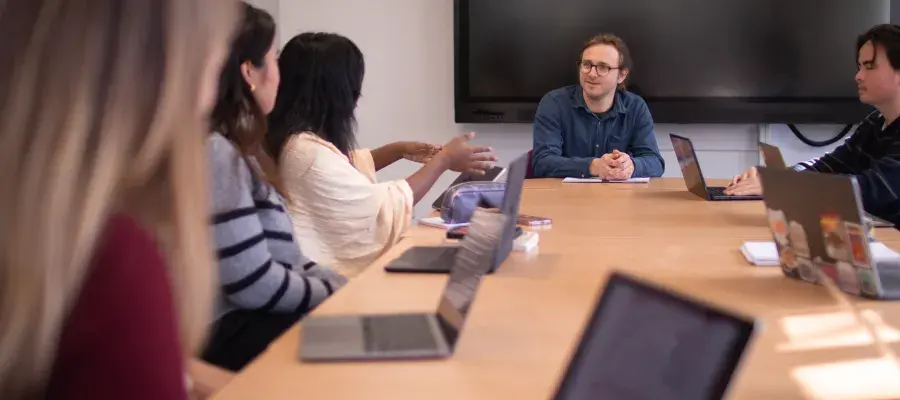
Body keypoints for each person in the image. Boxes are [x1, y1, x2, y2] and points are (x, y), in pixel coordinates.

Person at [0, 0, 237, 398]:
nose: (212, 94)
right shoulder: (115, 269)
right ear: (166, 71)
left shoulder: (57, 254)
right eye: (216, 56)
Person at [267, 32, 498, 277]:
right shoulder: (307, 153)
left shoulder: (295, 141)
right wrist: (443, 160)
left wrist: (397, 150)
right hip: (327, 287)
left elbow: (341, 167)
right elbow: (378, 211)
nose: (356, 100)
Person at [204, 6, 349, 372]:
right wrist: (333, 292)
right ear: (249, 72)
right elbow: (252, 285)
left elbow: (288, 261)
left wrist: (334, 283)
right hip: (236, 330)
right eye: (274, 58)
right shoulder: (218, 153)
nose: (280, 74)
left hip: (258, 317)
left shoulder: (238, 148)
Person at [726, 24, 900, 225]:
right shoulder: (875, 123)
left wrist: (783, 185)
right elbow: (830, 166)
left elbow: (871, 189)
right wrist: (776, 178)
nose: (858, 76)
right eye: (859, 67)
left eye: (869, 66)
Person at [532, 33, 665, 180]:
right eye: (587, 65)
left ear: (621, 75)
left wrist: (631, 166)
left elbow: (655, 162)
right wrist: (592, 166)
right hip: (566, 199)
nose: (592, 74)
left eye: (603, 67)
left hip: (617, 199)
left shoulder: (635, 106)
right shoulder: (554, 103)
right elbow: (542, 163)